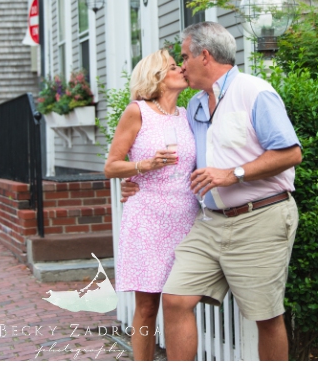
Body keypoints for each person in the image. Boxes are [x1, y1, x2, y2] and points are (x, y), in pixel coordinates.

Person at [123, 21, 302, 361]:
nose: (182, 64)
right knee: (175, 299)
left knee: (266, 316)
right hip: (211, 222)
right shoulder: (194, 107)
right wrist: (136, 181)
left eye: (185, 56)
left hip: (260, 216)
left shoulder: (254, 92)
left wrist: (234, 174)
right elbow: (185, 162)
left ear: (204, 56)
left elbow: (291, 153)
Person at [104, 49, 199, 361]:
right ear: (158, 78)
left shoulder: (188, 115)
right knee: (147, 307)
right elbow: (112, 166)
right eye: (174, 67)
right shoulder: (137, 112)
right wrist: (144, 165)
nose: (182, 70)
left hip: (186, 218)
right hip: (147, 218)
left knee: (181, 302)